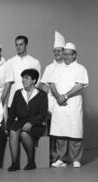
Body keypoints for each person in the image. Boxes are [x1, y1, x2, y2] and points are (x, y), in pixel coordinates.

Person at [49, 43, 89, 168]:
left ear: (74, 55)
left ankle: (76, 159)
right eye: (64, 54)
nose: (65, 56)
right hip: (60, 104)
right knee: (60, 131)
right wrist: (57, 97)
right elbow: (52, 84)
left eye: (68, 54)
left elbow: (80, 85)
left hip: (72, 104)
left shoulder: (80, 68)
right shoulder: (57, 68)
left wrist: (65, 96)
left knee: (74, 131)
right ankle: (61, 158)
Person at [7, 69, 47, 171]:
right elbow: (12, 112)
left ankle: (31, 162)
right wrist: (8, 127)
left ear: (34, 80)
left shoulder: (42, 94)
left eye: (26, 78)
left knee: (24, 134)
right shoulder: (18, 93)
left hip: (37, 124)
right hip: (20, 122)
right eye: (23, 78)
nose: (23, 80)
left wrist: (31, 122)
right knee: (13, 131)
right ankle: (15, 163)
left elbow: (43, 113)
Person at [40, 31, 65, 164]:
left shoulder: (68, 67)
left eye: (59, 51)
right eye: (55, 51)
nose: (57, 54)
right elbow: (44, 87)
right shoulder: (49, 67)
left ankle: (62, 156)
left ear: (64, 51)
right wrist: (46, 104)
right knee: (50, 131)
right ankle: (51, 154)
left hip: (64, 102)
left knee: (62, 131)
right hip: (51, 104)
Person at [7, 35, 41, 109]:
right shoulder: (10, 62)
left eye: (21, 44)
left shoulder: (34, 62)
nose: (18, 47)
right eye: (17, 45)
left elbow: (37, 83)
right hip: (13, 101)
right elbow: (8, 84)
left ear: (26, 45)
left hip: (29, 102)